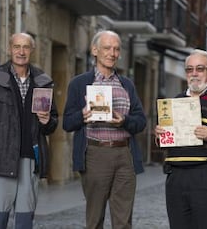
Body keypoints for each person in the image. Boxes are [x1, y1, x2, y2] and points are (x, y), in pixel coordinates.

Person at [0, 33, 58, 229]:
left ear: (31, 50)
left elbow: (52, 124)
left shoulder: (43, 81)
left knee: (25, 223)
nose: (21, 51)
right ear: (9, 49)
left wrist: (47, 120)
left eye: (26, 47)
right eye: (17, 46)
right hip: (0, 161)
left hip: (30, 162)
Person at [62, 30, 146, 229]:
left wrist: (123, 121)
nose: (112, 53)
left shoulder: (126, 85)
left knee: (124, 220)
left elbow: (140, 121)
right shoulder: (79, 83)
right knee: (94, 218)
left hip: (125, 154)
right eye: (107, 48)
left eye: (116, 49)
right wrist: (82, 115)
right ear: (94, 50)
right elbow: (67, 123)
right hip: (95, 153)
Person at [154, 49, 207, 229]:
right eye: (189, 70)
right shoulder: (174, 102)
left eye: (200, 68)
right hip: (176, 176)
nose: (194, 74)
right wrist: (159, 136)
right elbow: (165, 143)